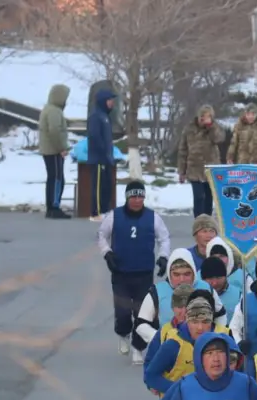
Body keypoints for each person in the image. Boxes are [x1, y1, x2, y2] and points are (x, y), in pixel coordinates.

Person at [97, 181, 171, 361]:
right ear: (127, 197)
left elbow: (164, 238)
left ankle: (138, 348)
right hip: (121, 273)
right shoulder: (114, 217)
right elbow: (101, 236)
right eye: (134, 196)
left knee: (142, 312)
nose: (137, 200)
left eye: (140, 196)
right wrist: (107, 254)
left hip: (144, 273)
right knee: (122, 312)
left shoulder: (153, 218)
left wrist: (163, 257)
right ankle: (123, 334)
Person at [133, 248, 220, 356]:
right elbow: (141, 324)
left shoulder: (206, 288)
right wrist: (162, 338)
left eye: (187, 274)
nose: (182, 279)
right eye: (176, 274)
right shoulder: (157, 291)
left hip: (203, 349)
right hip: (169, 351)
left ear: (194, 273)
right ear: (169, 274)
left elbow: (221, 315)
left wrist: (215, 337)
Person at [178, 104, 226, 218]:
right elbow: (183, 150)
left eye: (208, 116)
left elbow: (219, 138)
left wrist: (210, 126)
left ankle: (207, 222)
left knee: (208, 198)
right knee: (199, 197)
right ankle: (199, 222)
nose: (204, 118)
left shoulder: (214, 128)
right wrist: (181, 171)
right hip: (194, 169)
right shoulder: (189, 129)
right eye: (203, 116)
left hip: (210, 169)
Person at [38, 83, 71, 219]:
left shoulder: (49, 109)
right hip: (54, 150)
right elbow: (55, 130)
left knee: (53, 178)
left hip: (49, 150)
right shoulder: (54, 111)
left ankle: (51, 207)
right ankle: (54, 207)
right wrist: (61, 148)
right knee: (57, 179)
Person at [86, 88, 117, 221]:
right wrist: (103, 151)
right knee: (98, 186)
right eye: (110, 100)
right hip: (98, 158)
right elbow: (94, 136)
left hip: (107, 158)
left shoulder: (106, 117)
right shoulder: (96, 116)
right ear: (103, 101)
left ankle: (105, 210)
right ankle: (96, 212)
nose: (112, 103)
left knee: (106, 186)